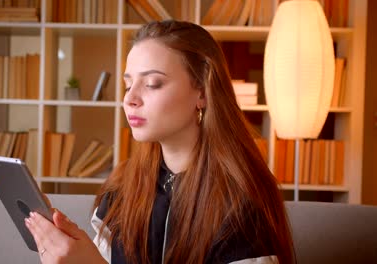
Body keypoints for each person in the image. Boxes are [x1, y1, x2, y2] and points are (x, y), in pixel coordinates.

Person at [25, 20, 295, 264]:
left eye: (152, 83)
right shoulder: (121, 191)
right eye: (128, 84)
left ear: (201, 91)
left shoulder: (242, 202)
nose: (130, 98)